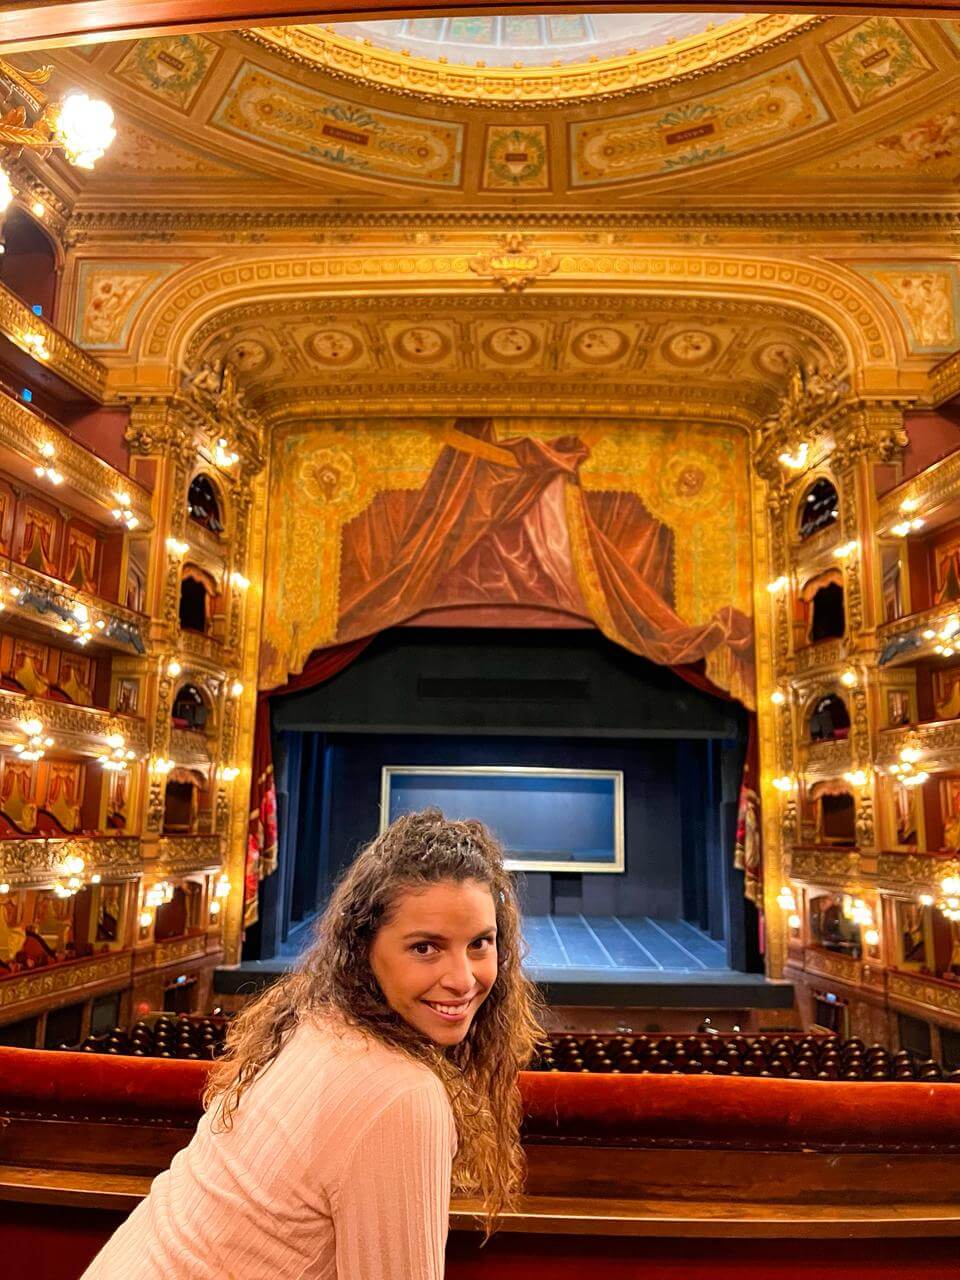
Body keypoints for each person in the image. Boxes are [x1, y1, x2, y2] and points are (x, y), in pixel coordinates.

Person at [81, 808, 543, 1278]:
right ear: (364, 948)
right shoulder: (402, 1095)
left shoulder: (313, 1019)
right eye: (425, 947)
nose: (463, 980)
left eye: (481, 944)